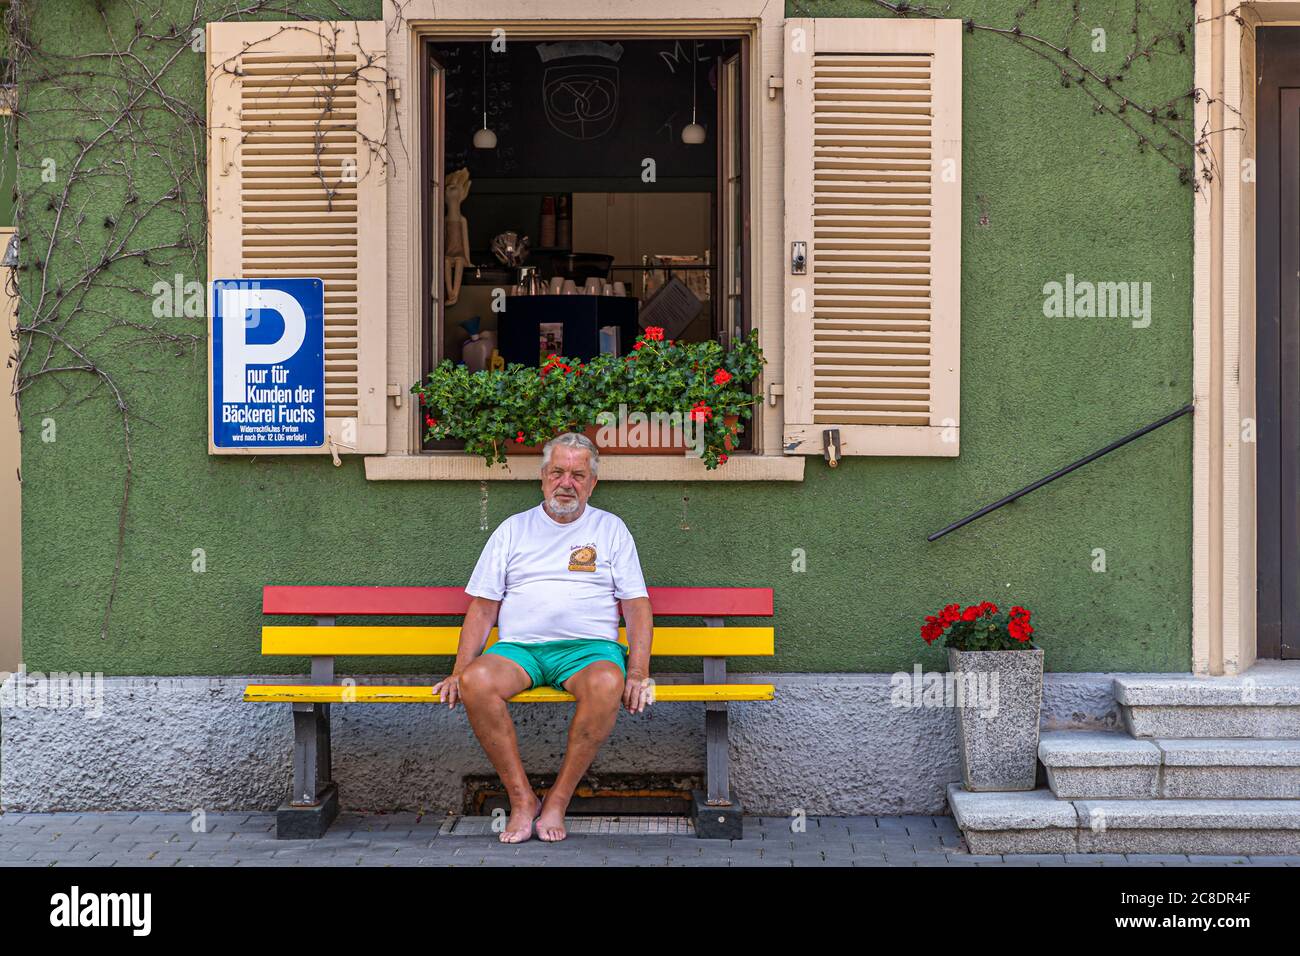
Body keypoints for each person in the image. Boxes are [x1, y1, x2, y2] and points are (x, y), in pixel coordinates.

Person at [432, 432, 654, 843]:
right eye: (558, 472)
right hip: (521, 651)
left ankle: (557, 800)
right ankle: (522, 800)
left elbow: (636, 606)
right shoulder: (513, 530)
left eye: (577, 474)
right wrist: (459, 669)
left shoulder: (611, 529)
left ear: (592, 483)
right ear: (542, 478)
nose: (566, 482)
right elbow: (483, 608)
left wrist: (638, 671)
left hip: (588, 652)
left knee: (610, 681)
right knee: (475, 682)